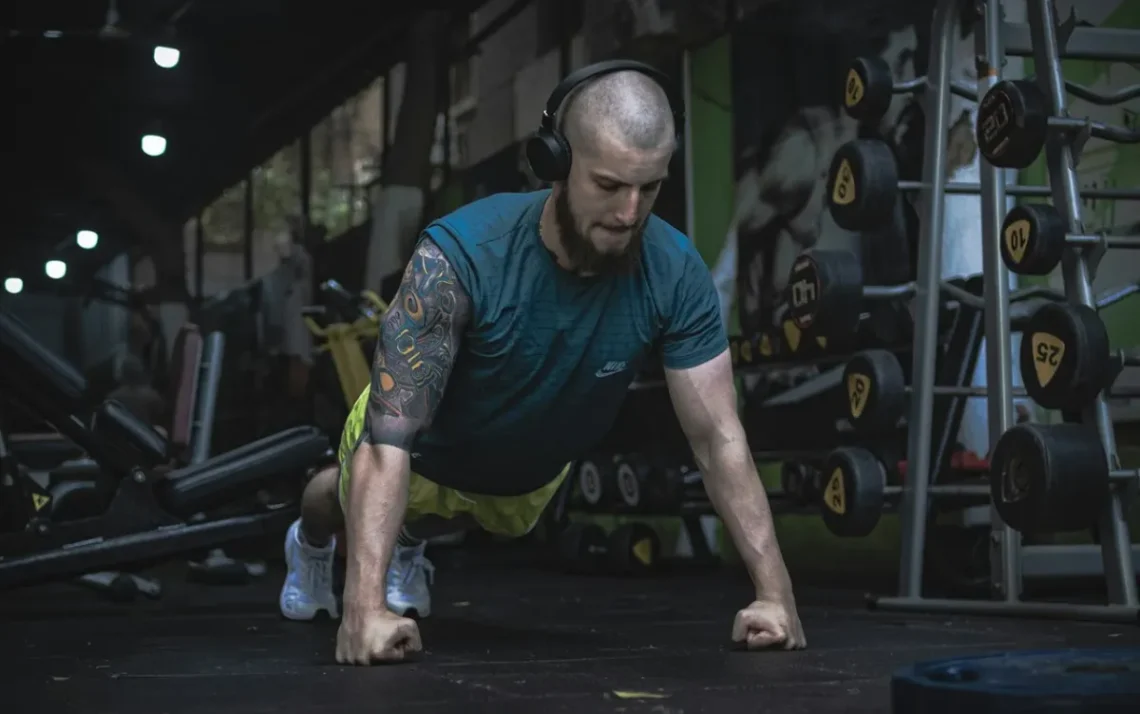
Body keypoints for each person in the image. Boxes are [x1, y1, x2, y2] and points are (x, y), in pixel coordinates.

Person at [279, 60, 806, 665]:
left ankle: (406, 540)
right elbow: (389, 441)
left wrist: (776, 595)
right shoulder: (458, 257)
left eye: (650, 188)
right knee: (335, 497)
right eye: (608, 185)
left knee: (447, 518)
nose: (630, 212)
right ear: (556, 163)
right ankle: (309, 543)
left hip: (524, 480)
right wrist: (363, 610)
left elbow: (718, 438)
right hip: (417, 454)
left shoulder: (676, 271)